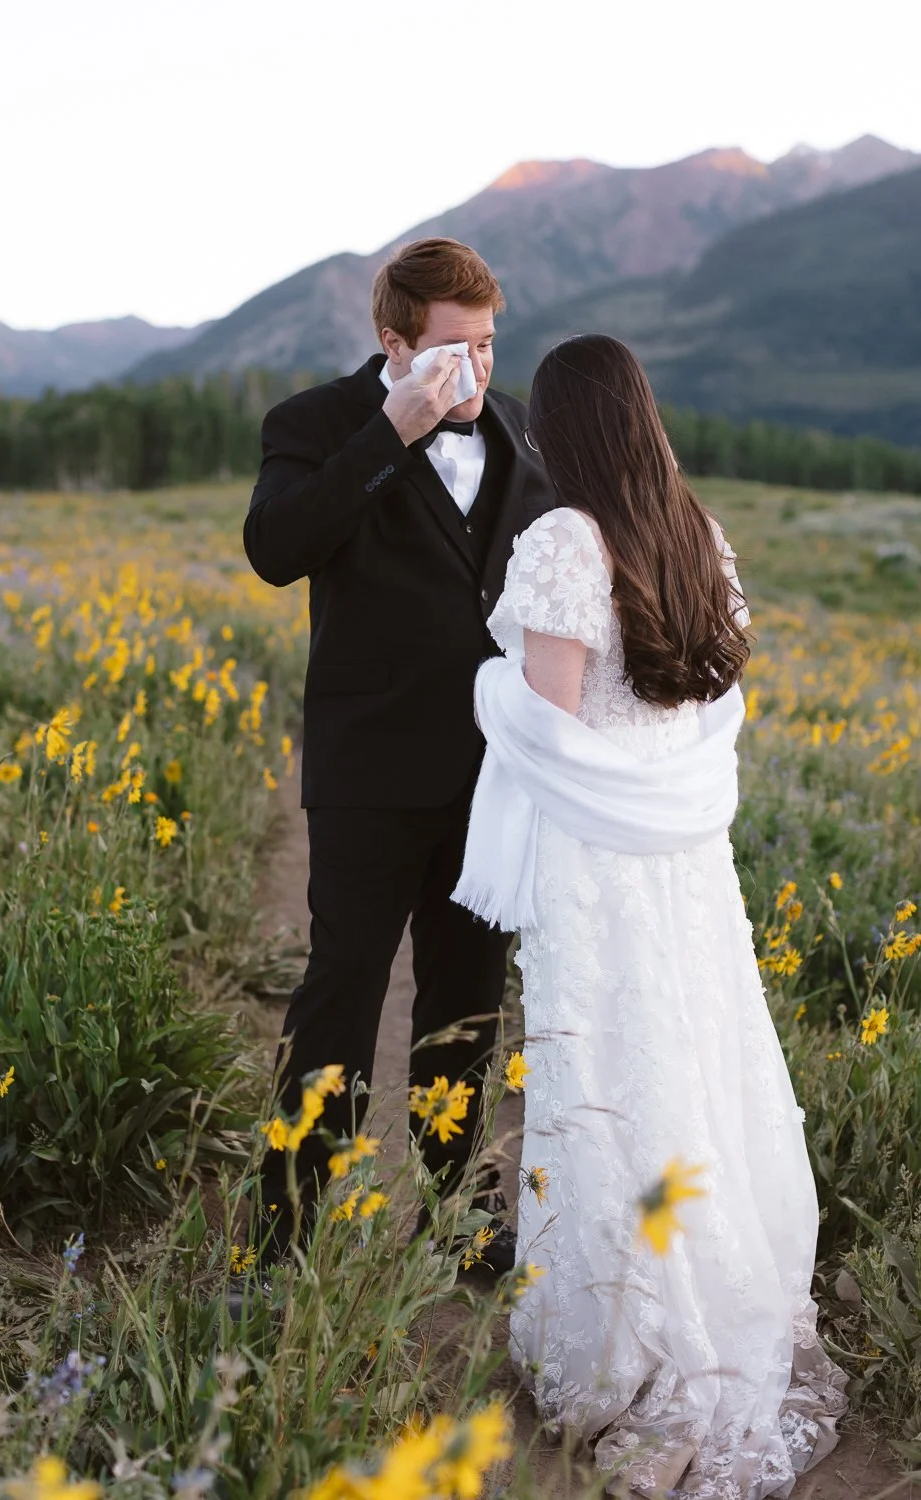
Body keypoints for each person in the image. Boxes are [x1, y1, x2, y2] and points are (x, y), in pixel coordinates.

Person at [452, 336, 848, 1495]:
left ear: (558, 430)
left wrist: (485, 683)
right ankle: (710, 1295)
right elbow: (698, 703)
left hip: (599, 859)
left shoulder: (567, 539)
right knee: (695, 1052)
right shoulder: (693, 529)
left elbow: (548, 726)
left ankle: (634, 1341)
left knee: (610, 1067)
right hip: (681, 852)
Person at [243, 237, 553, 1272]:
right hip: (370, 774)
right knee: (342, 993)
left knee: (467, 1002)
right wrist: (389, 433)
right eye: (454, 351)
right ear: (393, 343)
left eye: (489, 344)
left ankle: (462, 1221)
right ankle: (289, 1233)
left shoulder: (515, 430)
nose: (478, 369)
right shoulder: (314, 424)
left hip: (491, 781)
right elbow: (276, 551)